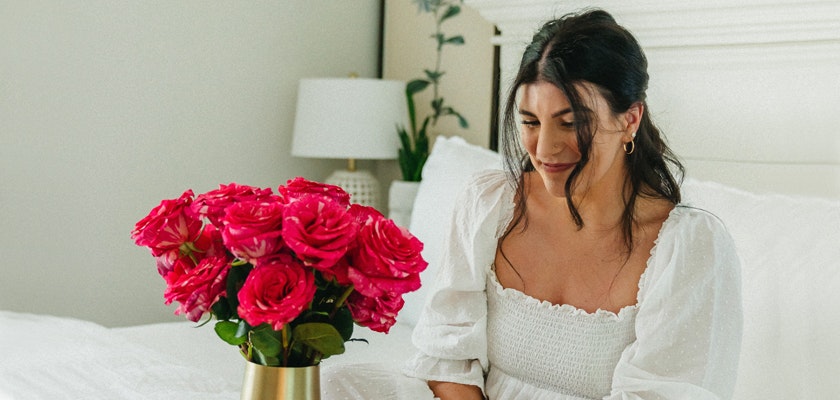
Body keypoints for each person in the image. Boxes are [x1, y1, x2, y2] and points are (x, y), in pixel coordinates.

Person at [403, 9, 743, 400]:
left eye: (570, 123)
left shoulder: (688, 248)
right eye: (530, 122)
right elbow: (446, 358)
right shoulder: (490, 204)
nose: (545, 149)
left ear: (630, 120)